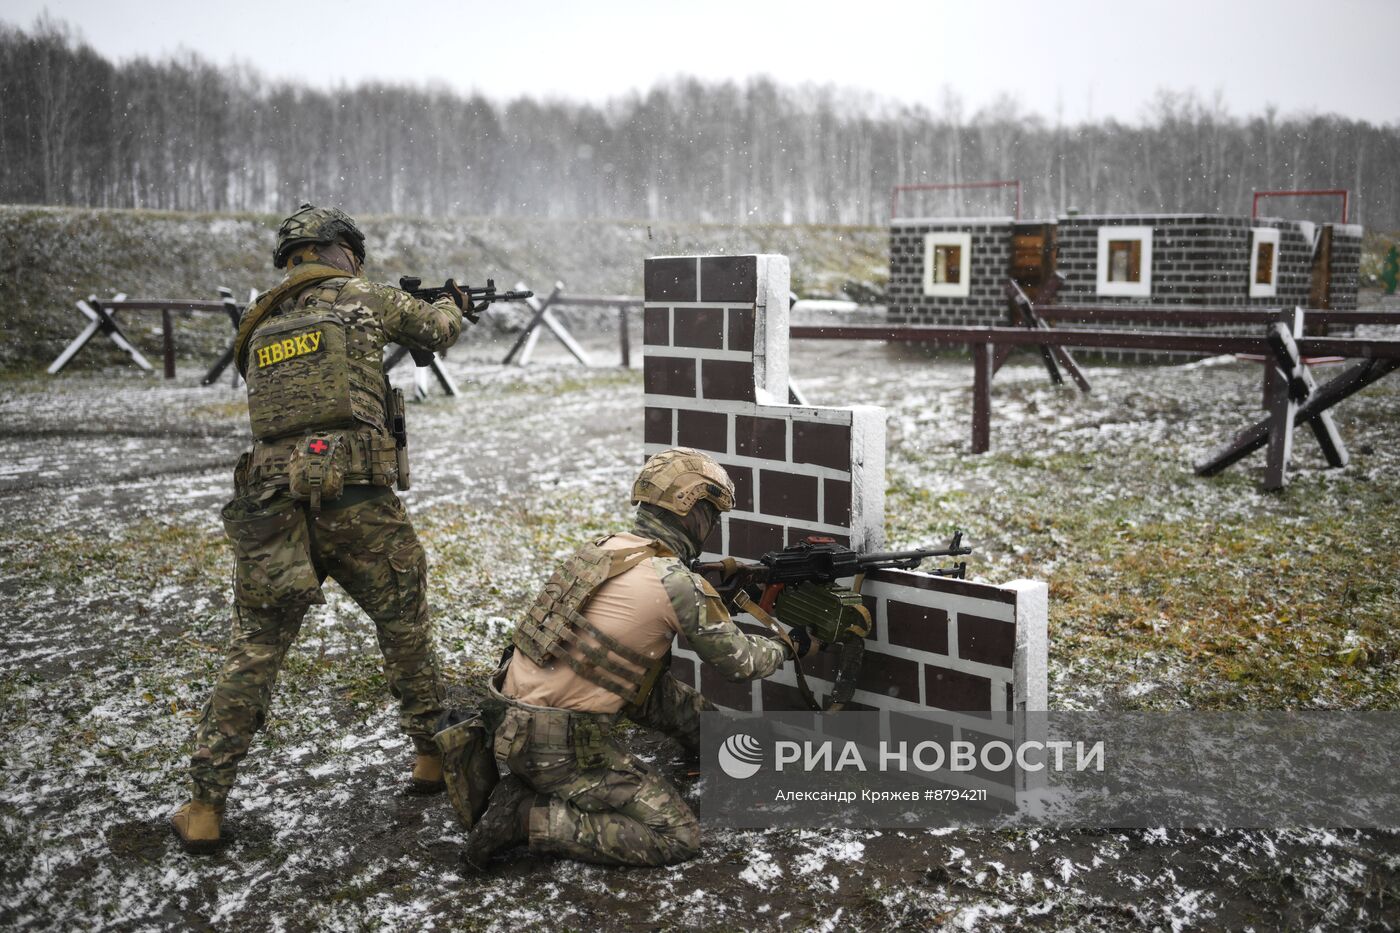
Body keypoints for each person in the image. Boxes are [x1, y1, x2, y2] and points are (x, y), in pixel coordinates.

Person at [171, 204, 467, 854]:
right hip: (355, 496)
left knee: (255, 649)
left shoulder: (259, 321)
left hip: (271, 501)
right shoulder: (362, 297)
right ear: (341, 249)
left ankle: (203, 804)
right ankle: (431, 756)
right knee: (404, 623)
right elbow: (437, 330)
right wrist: (454, 302)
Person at [461, 447, 803, 868]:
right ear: (691, 509)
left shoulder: (605, 549)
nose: (713, 525)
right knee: (676, 837)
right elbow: (742, 664)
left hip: (507, 717)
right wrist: (791, 646)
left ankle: (705, 743)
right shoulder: (675, 582)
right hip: (558, 745)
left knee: (654, 688)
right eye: (712, 514)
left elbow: (623, 631)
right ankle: (528, 817)